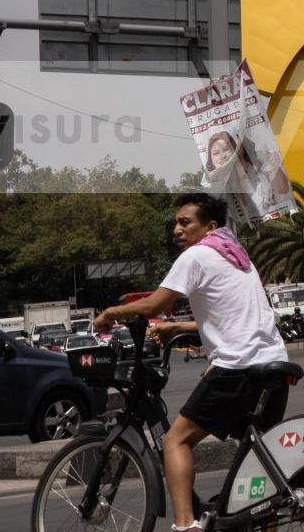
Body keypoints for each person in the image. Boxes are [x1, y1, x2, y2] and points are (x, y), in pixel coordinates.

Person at [94, 192, 287, 532]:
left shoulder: (197, 255)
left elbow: (152, 306)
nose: (177, 230)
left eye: (186, 223)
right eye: (176, 223)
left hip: (237, 368)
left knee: (175, 441)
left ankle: (185, 525)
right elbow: (235, 318)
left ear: (209, 227)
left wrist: (110, 313)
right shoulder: (237, 256)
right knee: (255, 459)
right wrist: (179, 328)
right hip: (274, 366)